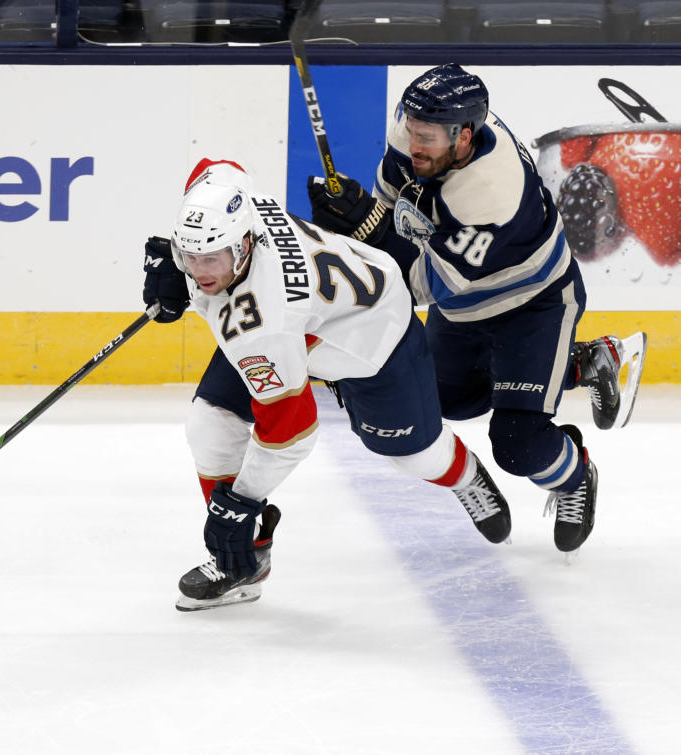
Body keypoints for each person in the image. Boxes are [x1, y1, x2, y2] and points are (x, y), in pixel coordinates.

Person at [142, 157, 512, 613]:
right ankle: (241, 561)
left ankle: (465, 475)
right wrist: (171, 258)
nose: (200, 272)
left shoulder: (262, 326)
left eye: (211, 258)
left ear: (243, 246)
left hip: (371, 339)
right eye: (190, 256)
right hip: (311, 318)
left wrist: (242, 499)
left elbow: (292, 431)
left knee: (412, 454)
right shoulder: (233, 206)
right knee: (210, 424)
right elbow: (218, 166)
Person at [307, 63, 648, 556]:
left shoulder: (490, 190)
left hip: (534, 305)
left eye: (426, 137)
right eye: (410, 129)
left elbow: (423, 286)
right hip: (466, 305)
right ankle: (585, 362)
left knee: (517, 441)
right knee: (436, 401)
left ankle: (575, 475)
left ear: (464, 136)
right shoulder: (417, 138)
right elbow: (394, 212)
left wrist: (369, 232)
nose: (412, 144)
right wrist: (354, 220)